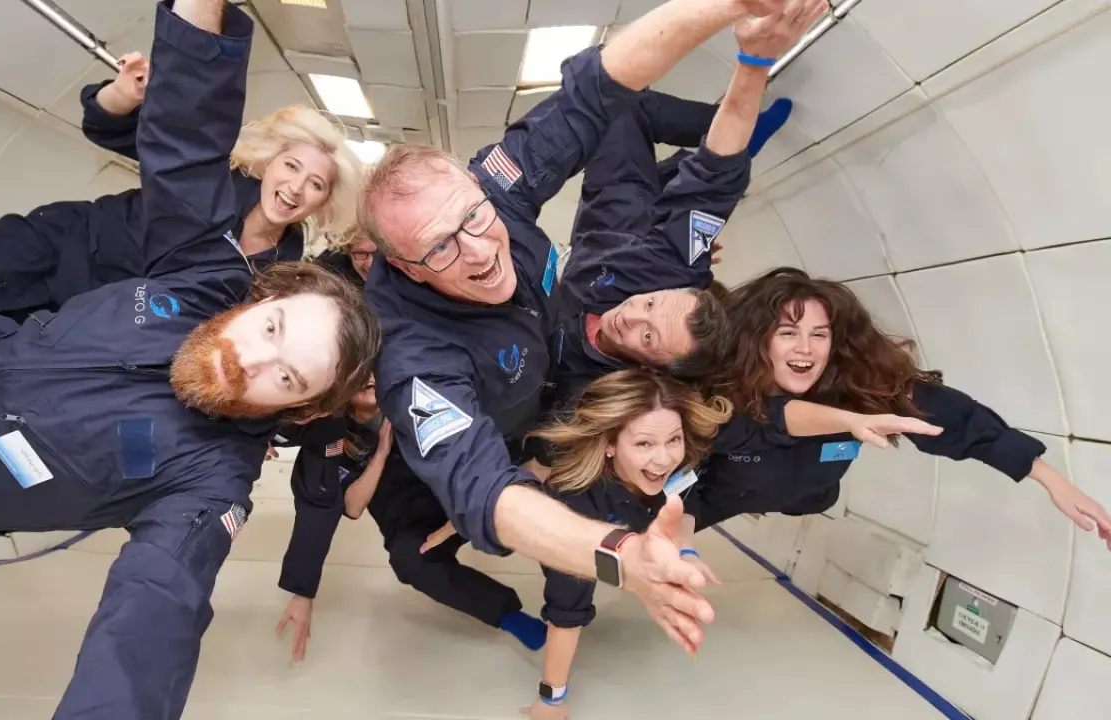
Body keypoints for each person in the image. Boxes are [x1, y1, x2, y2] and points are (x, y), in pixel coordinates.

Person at [0, 3, 380, 718]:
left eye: (286, 376)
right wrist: (135, 80)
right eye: (271, 327)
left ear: (299, 410)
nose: (249, 358)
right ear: (259, 301)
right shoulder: (204, 271)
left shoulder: (208, 482)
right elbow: (179, 135)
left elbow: (153, 616)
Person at [361, 0, 807, 655]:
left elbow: (607, 100)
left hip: (546, 421)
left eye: (475, 219)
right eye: (439, 249)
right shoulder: (415, 355)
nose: (480, 252)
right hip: (494, 418)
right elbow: (483, 486)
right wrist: (621, 557)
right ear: (403, 266)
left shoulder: (495, 196)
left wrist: (752, 53)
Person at [520, 367, 942, 718]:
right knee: (575, 589)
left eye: (672, 441)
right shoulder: (577, 502)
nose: (664, 458)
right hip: (587, 536)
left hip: (675, 513)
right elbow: (566, 606)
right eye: (644, 444)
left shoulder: (690, 451)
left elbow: (772, 420)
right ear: (610, 446)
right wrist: (551, 699)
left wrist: (849, 421)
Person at [0, 46, 361, 322]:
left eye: (315, 184)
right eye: (291, 167)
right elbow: (115, 130)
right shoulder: (214, 176)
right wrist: (121, 95)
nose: (296, 187)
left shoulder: (280, 269)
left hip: (85, 314)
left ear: (323, 202)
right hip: (60, 244)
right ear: (270, 162)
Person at [690, 266, 1111, 549]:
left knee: (817, 490)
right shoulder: (723, 393)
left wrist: (1050, 478)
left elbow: (961, 421)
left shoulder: (855, 385)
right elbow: (775, 418)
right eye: (788, 332)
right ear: (759, 340)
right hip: (723, 492)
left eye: (819, 334)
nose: (805, 348)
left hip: (810, 491)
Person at [550, 2, 825, 422]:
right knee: (618, 97)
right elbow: (715, 181)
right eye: (649, 304)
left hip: (596, 228)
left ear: (653, 369)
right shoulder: (669, 270)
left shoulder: (591, 389)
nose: (630, 314)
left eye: (647, 337)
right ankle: (735, 131)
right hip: (621, 216)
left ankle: (717, 139)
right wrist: (754, 62)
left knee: (621, 110)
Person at [271, 376, 546, 662]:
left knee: (515, 490)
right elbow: (352, 507)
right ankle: (511, 617)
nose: (367, 380)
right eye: (357, 377)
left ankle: (563, 592)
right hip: (406, 514)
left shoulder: (409, 390)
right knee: (409, 560)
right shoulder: (332, 435)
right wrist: (381, 453)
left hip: (452, 488)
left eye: (370, 371)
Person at [312, 225, 375, 289]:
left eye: (378, 253)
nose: (370, 264)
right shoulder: (326, 272)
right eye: (360, 253)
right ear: (347, 252)